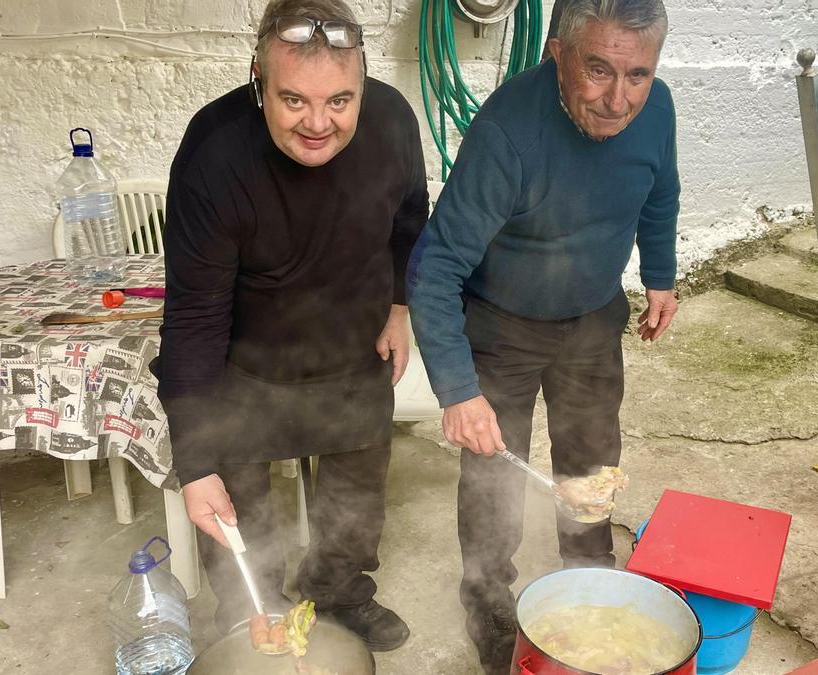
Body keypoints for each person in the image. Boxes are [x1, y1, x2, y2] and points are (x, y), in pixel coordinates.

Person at [406, 0, 680, 669]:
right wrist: (457, 390)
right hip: (503, 321)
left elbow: (660, 192)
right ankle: (487, 594)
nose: (619, 100)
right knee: (493, 469)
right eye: (599, 70)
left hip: (592, 317)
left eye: (638, 75)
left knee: (593, 456)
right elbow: (434, 266)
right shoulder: (506, 132)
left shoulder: (658, 107)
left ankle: (589, 567)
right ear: (558, 53)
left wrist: (662, 275)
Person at [153, 0, 428, 651]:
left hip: (352, 347)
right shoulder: (215, 154)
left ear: (363, 83)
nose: (318, 123)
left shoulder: (391, 120)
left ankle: (338, 589)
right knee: (236, 508)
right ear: (258, 79)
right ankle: (250, 603)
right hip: (246, 363)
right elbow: (191, 318)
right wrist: (194, 464)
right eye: (294, 100)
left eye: (340, 100)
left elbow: (412, 220)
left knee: (357, 496)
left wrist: (399, 303)